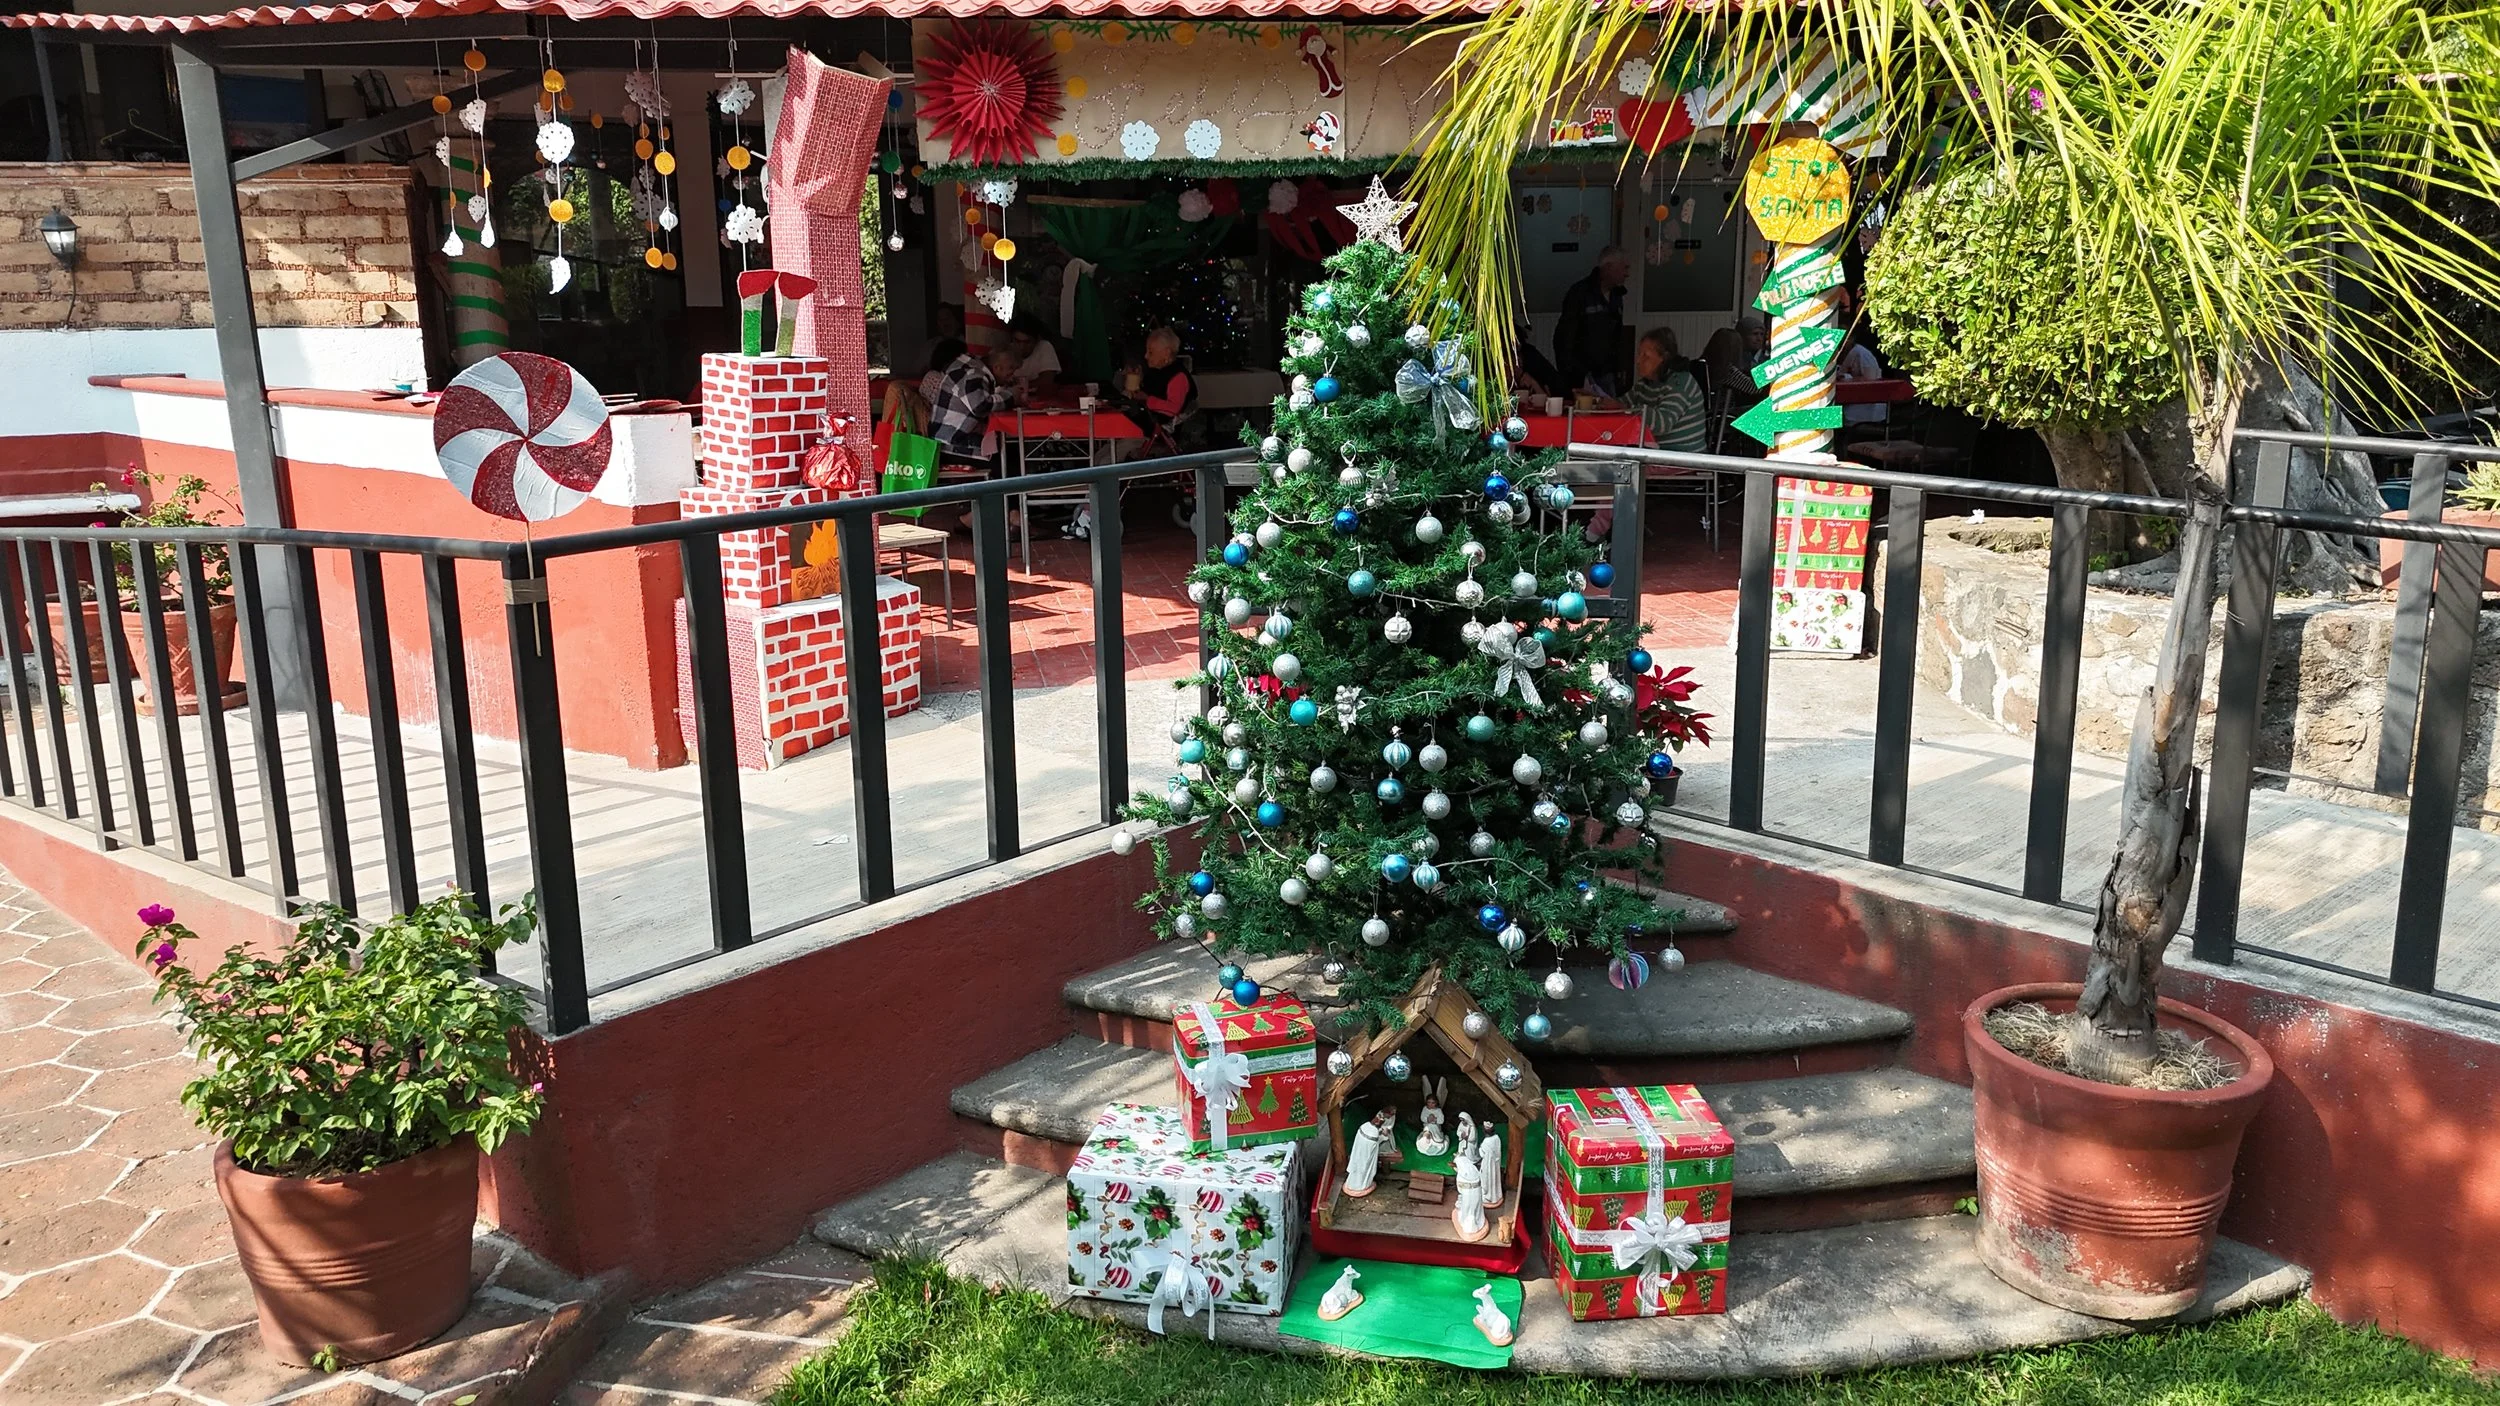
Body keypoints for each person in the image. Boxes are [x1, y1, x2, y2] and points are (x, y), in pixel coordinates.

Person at [1551, 247, 1631, 396]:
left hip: (1607, 373)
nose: (1627, 274)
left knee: (1610, 415)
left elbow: (1617, 335)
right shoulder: (1580, 293)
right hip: (1581, 374)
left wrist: (1619, 368)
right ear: (1609, 267)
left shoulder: (1617, 296)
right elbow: (1564, 336)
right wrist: (1571, 373)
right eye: (1624, 268)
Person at [1622, 329, 1710, 454]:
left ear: (1664, 358)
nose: (1638, 361)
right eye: (1639, 354)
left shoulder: (1680, 383)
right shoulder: (1644, 385)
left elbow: (1663, 423)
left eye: (1645, 356)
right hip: (1658, 454)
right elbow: (1620, 404)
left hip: (1683, 458)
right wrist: (1597, 399)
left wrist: (1626, 409)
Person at [922, 337, 998, 463]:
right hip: (951, 442)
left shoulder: (935, 376)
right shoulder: (949, 377)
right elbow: (978, 406)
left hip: (943, 438)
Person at [1836, 328, 1889, 429]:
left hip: (1867, 404)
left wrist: (1847, 377)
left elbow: (1871, 379)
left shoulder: (1862, 354)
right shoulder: (1843, 353)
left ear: (1851, 338)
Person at [1007, 320, 1063, 398]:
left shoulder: (1044, 347)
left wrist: (1020, 386)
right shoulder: (1005, 351)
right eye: (1017, 341)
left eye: (1027, 342)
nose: (1022, 347)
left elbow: (1047, 380)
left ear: (1037, 340)